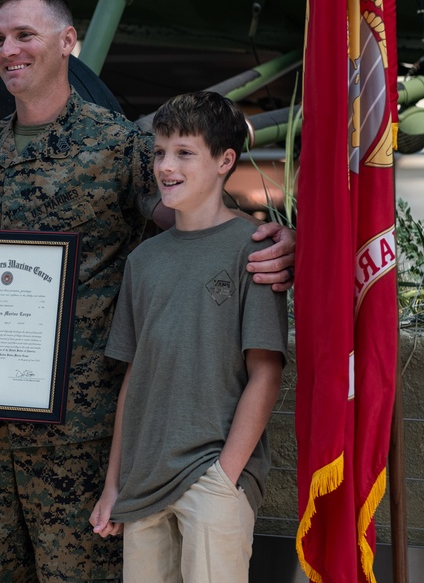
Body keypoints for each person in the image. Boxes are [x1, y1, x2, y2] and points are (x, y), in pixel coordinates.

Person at [0, 0, 296, 583]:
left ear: (68, 41)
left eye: (26, 34)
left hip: (76, 445)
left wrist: (283, 238)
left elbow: (201, 217)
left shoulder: (121, 148)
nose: (8, 49)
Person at [88, 91, 288, 583]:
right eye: (159, 152)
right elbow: (135, 378)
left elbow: (266, 373)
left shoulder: (253, 248)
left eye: (184, 152)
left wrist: (226, 475)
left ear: (225, 161)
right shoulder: (144, 261)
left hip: (211, 475)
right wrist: (114, 485)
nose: (166, 166)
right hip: (143, 482)